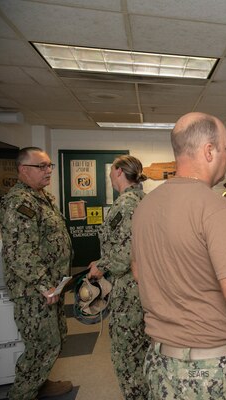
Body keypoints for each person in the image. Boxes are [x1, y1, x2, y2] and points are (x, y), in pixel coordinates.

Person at [131, 112, 226, 399]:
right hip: (210, 369)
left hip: (160, 362)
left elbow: (140, 272)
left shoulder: (145, 206)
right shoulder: (217, 209)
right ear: (209, 151)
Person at [0, 147, 73, 399]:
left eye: (49, 165)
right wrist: (44, 285)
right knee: (42, 345)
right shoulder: (19, 202)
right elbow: (19, 252)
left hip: (52, 286)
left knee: (56, 338)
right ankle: (21, 393)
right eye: (40, 166)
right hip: (34, 291)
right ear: (23, 170)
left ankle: (40, 382)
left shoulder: (41, 197)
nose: (48, 171)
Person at [87, 155, 150, 399]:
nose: (110, 176)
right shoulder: (144, 199)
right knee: (143, 346)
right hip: (146, 286)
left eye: (111, 171)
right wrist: (102, 261)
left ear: (119, 172)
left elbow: (125, 253)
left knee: (126, 353)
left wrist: (100, 267)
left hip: (128, 289)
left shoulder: (125, 204)